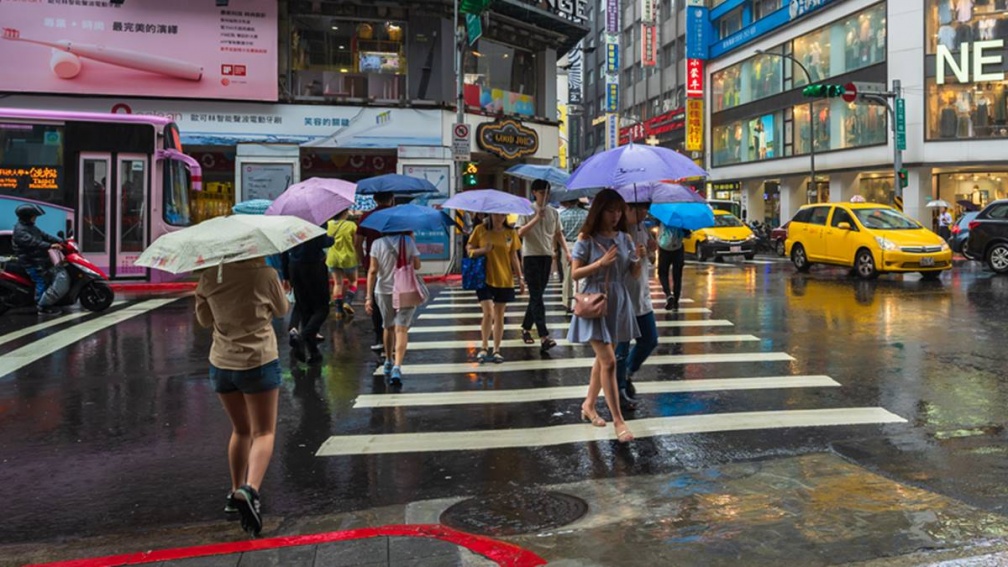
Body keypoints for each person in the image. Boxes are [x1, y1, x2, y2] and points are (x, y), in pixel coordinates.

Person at [194, 257, 289, 538]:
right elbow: (282, 310)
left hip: (222, 363)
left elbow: (203, 320)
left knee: (240, 429)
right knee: (264, 432)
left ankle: (235, 492)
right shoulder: (265, 273)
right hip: (258, 360)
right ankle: (251, 489)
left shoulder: (210, 276)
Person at [567, 189, 640, 443]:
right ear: (599, 211)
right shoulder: (586, 239)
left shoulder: (625, 239)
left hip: (618, 302)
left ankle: (589, 404)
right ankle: (619, 421)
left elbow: (633, 274)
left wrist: (643, 256)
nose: (616, 215)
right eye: (611, 210)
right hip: (594, 302)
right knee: (609, 361)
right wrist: (600, 264)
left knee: (602, 360)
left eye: (619, 210)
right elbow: (575, 274)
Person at [614, 203, 660, 412]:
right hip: (623, 297)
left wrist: (651, 251)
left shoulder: (644, 229)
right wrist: (636, 255)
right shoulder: (619, 233)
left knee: (649, 339)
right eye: (639, 209)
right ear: (627, 209)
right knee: (621, 349)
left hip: (642, 295)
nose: (643, 213)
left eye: (645, 209)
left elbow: (650, 262)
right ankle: (620, 390)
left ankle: (628, 373)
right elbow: (620, 267)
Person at [517, 180, 569, 352]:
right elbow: (520, 232)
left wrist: (567, 252)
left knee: (536, 296)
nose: (545, 196)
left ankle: (525, 328)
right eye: (541, 193)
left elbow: (559, 234)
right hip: (531, 256)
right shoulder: (526, 210)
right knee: (537, 297)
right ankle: (544, 336)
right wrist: (536, 218)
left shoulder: (554, 212)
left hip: (547, 257)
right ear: (534, 193)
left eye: (547, 193)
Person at [466, 212, 525, 363]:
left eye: (503, 215)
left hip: (504, 278)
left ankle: (497, 350)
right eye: (497, 215)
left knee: (499, 314)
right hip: (483, 277)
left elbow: (513, 256)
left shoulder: (511, 233)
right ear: (491, 215)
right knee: (488, 313)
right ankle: (484, 347)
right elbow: (469, 248)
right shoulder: (480, 230)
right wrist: (482, 250)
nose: (500, 218)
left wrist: (520, 278)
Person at [365, 231, 421, 386]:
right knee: (401, 329)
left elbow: (373, 270)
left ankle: (388, 360)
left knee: (388, 326)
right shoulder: (408, 242)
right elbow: (417, 265)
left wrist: (368, 297)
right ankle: (397, 366)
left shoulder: (377, 244)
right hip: (405, 289)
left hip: (383, 290)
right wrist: (412, 243)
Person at [282, 229, 334, 364]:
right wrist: (331, 239)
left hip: (294, 266)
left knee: (305, 309)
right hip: (314, 266)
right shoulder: (315, 224)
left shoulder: (290, 225)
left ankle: (313, 352)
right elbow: (323, 242)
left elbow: (283, 248)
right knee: (322, 308)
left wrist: (286, 275)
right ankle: (303, 338)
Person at [355, 192, 395, 355]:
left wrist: (362, 259)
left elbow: (357, 242)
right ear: (391, 198)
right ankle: (395, 334)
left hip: (374, 260)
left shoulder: (366, 217)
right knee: (395, 297)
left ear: (374, 199)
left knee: (377, 298)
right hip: (395, 262)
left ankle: (380, 337)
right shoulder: (396, 215)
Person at [11, 203, 62, 314]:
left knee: (49, 277)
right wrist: (49, 245)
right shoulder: (21, 230)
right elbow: (33, 242)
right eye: (33, 216)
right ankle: (41, 306)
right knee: (41, 280)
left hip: (39, 259)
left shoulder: (30, 227)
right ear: (27, 216)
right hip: (30, 261)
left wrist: (60, 241)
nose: (35, 218)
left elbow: (44, 235)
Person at [326, 210, 358, 318]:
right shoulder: (351, 225)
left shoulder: (328, 224)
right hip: (348, 258)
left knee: (338, 283)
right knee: (353, 281)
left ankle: (338, 311)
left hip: (333, 258)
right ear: (344, 213)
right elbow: (355, 242)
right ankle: (347, 302)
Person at [559, 198, 588, 314]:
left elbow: (559, 233)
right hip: (582, 245)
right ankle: (578, 301)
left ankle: (567, 302)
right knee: (581, 276)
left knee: (567, 276)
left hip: (567, 246)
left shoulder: (562, 215)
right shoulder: (586, 214)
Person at [657, 221, 688, 310]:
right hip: (678, 249)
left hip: (664, 248)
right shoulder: (682, 219)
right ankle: (676, 301)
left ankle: (668, 294)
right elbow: (687, 234)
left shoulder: (664, 217)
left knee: (662, 273)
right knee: (677, 276)